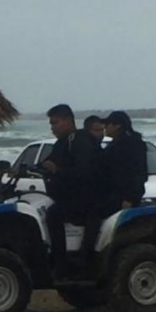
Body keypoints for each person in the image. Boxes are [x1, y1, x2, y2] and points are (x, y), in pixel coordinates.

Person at [41, 103, 101, 278]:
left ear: (68, 120)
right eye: (51, 124)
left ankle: (62, 264)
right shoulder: (62, 143)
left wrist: (58, 170)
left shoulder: (80, 140)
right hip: (70, 195)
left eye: (55, 122)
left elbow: (86, 171)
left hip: (87, 198)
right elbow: (49, 161)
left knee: (53, 215)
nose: (52, 127)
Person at [98, 111, 148, 213]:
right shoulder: (118, 144)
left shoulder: (128, 145)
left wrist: (129, 198)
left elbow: (136, 172)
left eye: (107, 124)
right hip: (115, 195)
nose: (105, 127)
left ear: (117, 126)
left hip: (122, 198)